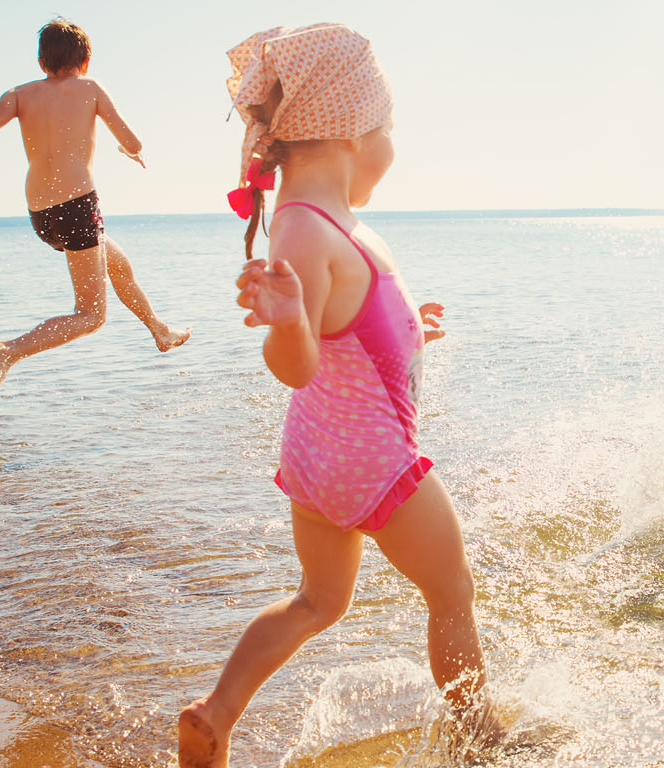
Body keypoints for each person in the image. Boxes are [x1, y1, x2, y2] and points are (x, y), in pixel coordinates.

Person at [177, 24, 498, 766]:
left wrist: (413, 330)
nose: (393, 144)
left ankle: (217, 712)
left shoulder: (321, 222)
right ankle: (483, 744)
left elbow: (351, 332)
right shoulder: (306, 231)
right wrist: (288, 322)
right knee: (452, 592)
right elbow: (297, 362)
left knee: (318, 602)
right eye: (390, 127)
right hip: (372, 459)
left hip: (317, 458)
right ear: (354, 131)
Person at [0, 17, 190, 409]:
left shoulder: (20, 93)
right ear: (86, 61)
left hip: (41, 214)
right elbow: (133, 140)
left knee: (117, 264)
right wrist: (128, 151)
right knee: (91, 316)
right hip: (77, 206)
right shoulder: (90, 88)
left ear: (42, 62)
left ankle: (160, 329)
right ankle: (8, 351)